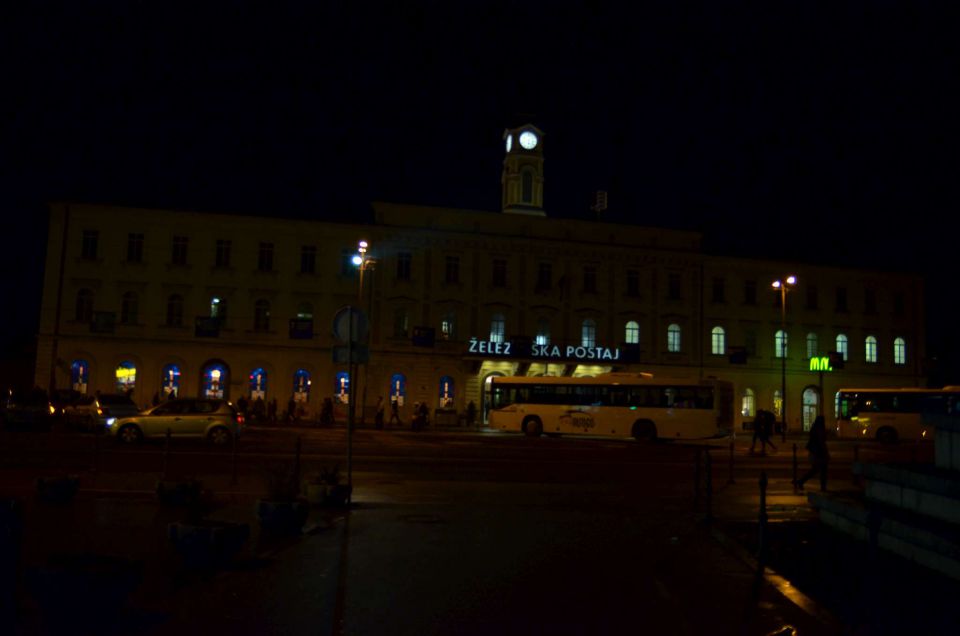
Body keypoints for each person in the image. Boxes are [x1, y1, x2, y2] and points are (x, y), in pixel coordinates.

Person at [796, 415, 830, 491]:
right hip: (819, 453)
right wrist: (826, 453)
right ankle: (822, 487)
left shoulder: (814, 428)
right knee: (821, 470)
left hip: (814, 452)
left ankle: (801, 481)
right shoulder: (820, 429)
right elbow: (821, 442)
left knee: (815, 470)